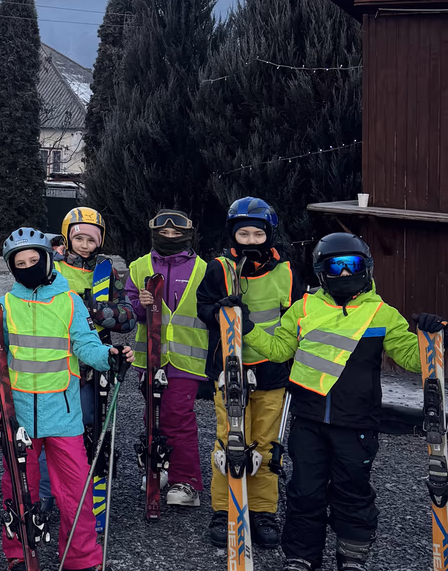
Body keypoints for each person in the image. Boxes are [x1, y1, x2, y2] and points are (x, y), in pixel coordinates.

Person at [241, 233, 440, 571]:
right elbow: (279, 348)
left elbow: (414, 360)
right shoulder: (303, 309)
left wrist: (431, 339)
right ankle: (301, 557)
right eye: (336, 265)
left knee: (353, 491)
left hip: (357, 423)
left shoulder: (381, 313)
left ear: (367, 269)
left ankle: (352, 559)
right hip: (309, 420)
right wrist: (245, 325)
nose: (345, 272)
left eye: (354, 265)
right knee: (305, 490)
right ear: (321, 271)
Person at [0, 228, 129, 571]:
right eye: (21, 264)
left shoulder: (69, 302)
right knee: (19, 487)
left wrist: (108, 356)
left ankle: (80, 559)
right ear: (13, 270)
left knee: (76, 488)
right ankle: (19, 552)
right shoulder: (5, 306)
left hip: (63, 413)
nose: (29, 267)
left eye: (35, 260)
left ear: (48, 260)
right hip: (20, 416)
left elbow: (85, 345)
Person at [197, 196, 299, 550]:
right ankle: (223, 508)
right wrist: (218, 311)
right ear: (233, 235)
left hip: (271, 367)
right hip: (231, 367)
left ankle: (262, 511)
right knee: (230, 440)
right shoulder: (219, 268)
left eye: (258, 234)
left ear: (268, 235)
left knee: (267, 443)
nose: (251, 241)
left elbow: (297, 315)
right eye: (245, 235)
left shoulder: (285, 271)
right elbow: (203, 305)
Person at [125, 210, 208, 508]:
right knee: (153, 415)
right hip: (150, 356)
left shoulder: (202, 268)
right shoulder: (139, 266)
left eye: (176, 234)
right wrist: (139, 303)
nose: (169, 238)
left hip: (186, 360)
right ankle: (158, 466)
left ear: (187, 235)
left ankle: (187, 481)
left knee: (178, 418)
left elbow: (209, 308)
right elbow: (128, 307)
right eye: (164, 233)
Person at [55, 206, 136, 475]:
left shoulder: (106, 272)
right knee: (61, 415)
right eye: (79, 238)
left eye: (92, 240)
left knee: (90, 414)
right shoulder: (53, 269)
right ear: (67, 238)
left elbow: (128, 317)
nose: (85, 245)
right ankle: (62, 469)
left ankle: (91, 461)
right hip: (59, 357)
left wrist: (93, 310)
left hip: (94, 357)